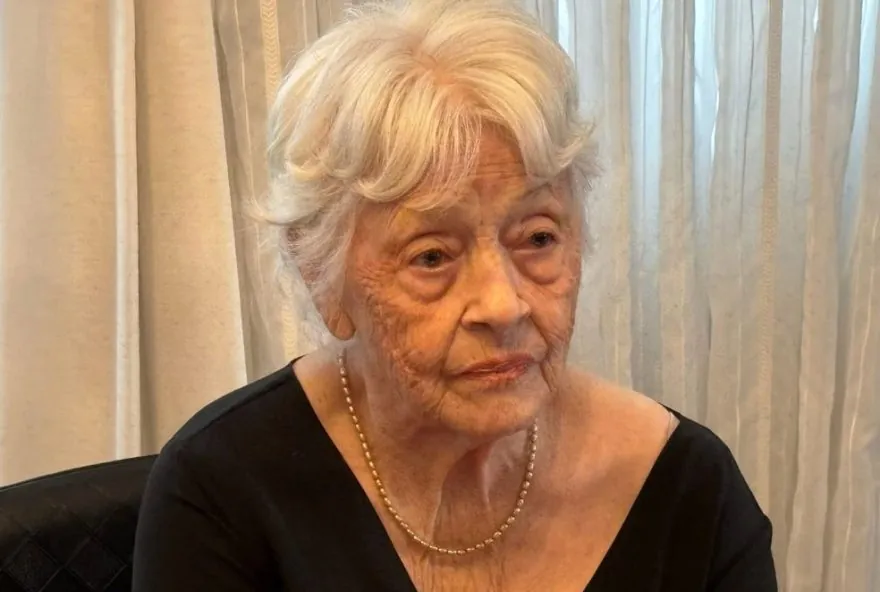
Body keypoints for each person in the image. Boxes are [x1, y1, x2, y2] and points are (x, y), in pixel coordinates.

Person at [132, 0, 777, 590]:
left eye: (538, 238)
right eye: (432, 256)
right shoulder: (223, 492)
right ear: (320, 274)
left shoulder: (687, 489)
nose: (504, 306)